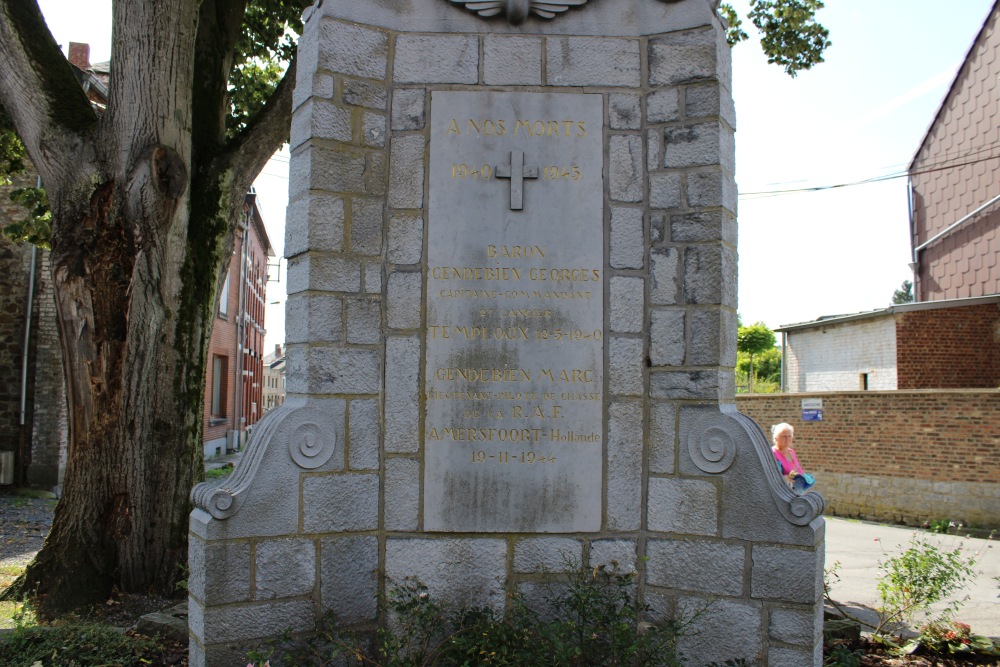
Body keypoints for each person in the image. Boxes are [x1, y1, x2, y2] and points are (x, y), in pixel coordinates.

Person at [771, 422, 807, 488]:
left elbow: (798, 469)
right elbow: (771, 477)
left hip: (796, 490)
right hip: (782, 491)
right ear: (776, 438)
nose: (787, 439)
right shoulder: (772, 453)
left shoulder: (791, 452)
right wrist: (786, 478)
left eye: (789, 436)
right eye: (784, 436)